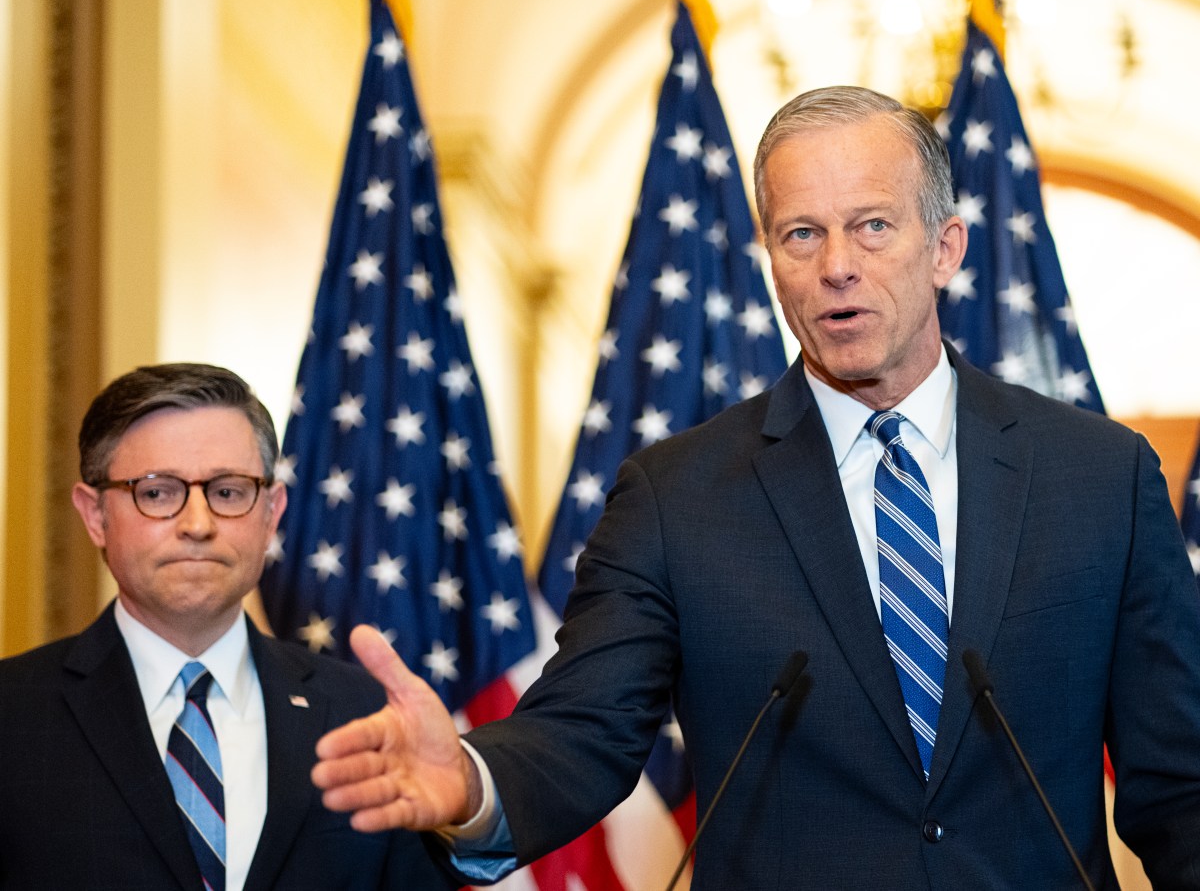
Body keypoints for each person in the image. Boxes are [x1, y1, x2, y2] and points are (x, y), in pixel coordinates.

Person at [312, 87, 1200, 889]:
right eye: (801, 234)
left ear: (945, 248)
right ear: (771, 258)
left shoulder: (1100, 478)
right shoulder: (676, 497)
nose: (837, 265)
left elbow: (1181, 781)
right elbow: (583, 729)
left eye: (873, 226)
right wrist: (473, 783)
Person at [0, 363, 456, 890]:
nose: (198, 525)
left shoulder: (366, 714)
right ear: (95, 515)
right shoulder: (11, 714)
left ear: (271, 513)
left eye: (228, 492)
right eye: (157, 492)